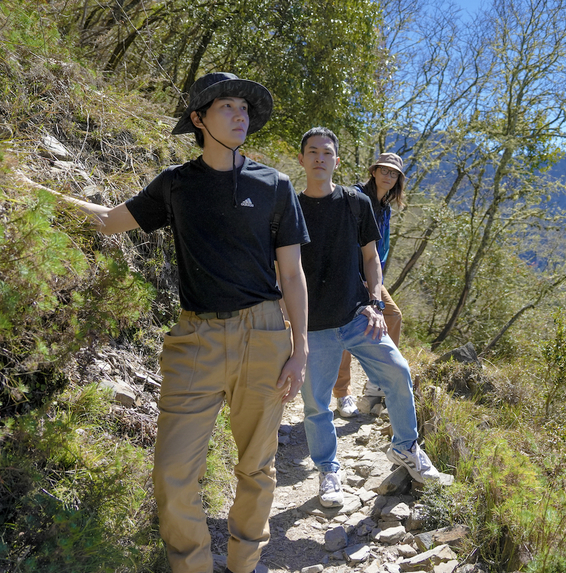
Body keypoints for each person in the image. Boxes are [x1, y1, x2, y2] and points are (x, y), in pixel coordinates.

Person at [23, 72, 309, 573]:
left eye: (244, 107)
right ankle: (192, 566)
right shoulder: (176, 184)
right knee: (172, 471)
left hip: (263, 335)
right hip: (194, 337)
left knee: (257, 468)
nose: (240, 115)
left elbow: (291, 271)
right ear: (199, 119)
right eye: (227, 106)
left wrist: (300, 349)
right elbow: (109, 220)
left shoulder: (275, 185)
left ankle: (244, 564)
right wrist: (32, 190)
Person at [296, 127, 440, 509]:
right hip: (314, 326)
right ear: (302, 159)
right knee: (316, 404)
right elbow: (283, 270)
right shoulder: (289, 208)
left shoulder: (355, 203)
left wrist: (375, 304)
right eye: (312, 152)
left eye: (326, 153)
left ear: (337, 161)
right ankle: (328, 470)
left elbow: (371, 257)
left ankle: (405, 447)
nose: (319, 158)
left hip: (358, 315)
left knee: (398, 371)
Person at [334, 152, 406, 417]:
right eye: (384, 170)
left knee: (392, 315)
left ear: (398, 179)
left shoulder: (384, 206)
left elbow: (379, 250)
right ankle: (343, 394)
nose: (388, 176)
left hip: (369, 276)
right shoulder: (355, 197)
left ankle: (378, 382)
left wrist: (375, 282)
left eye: (394, 173)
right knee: (346, 326)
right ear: (373, 171)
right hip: (345, 273)